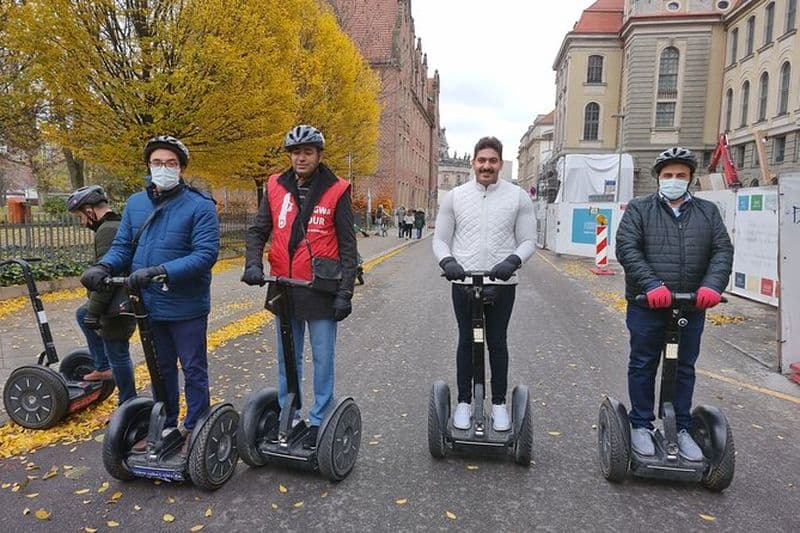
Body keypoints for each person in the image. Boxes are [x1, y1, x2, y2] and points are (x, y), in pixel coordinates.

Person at [80, 135, 220, 454]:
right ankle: (168, 424)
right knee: (161, 368)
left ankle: (196, 428)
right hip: (149, 305)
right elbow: (123, 246)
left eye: (171, 163)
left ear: (181, 168)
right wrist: (103, 266)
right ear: (148, 166)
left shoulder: (200, 206)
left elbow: (205, 254)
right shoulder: (135, 204)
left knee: (193, 367)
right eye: (157, 162)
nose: (164, 168)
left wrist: (160, 271)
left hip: (186, 305)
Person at [242, 125, 358, 450]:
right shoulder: (276, 186)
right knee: (287, 358)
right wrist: (253, 264)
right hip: (283, 286)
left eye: (307, 152)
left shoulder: (337, 189)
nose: (301, 158)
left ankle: (320, 418)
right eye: (296, 152)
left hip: (320, 287)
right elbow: (257, 230)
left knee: (323, 358)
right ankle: (289, 414)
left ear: (318, 155)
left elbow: (348, 247)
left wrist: (345, 292)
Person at [616, 147, 733, 460]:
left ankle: (680, 427)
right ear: (658, 178)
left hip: (690, 306)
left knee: (684, 367)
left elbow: (722, 251)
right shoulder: (640, 209)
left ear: (691, 178)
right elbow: (627, 248)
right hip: (647, 304)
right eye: (668, 175)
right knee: (643, 362)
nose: (674, 180)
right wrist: (651, 284)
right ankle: (640, 423)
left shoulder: (708, 212)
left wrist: (711, 286)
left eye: (681, 175)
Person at [432, 136, 536, 431]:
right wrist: (447, 262)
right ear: (473, 163)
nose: (486, 166)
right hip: (463, 280)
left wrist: (513, 261)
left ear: (500, 164)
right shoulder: (455, 196)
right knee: (466, 340)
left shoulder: (518, 197)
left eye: (492, 161)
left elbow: (529, 240)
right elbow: (440, 239)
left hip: (502, 282)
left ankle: (500, 404)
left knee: (497, 341)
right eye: (481, 160)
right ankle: (464, 401)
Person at [68, 185, 136, 405]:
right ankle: (103, 366)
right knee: (82, 314)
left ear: (89, 210)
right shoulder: (116, 224)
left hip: (117, 302)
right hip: (122, 297)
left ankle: (128, 405)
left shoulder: (107, 230)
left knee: (119, 354)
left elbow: (105, 278)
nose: (82, 222)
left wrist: (94, 312)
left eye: (80, 216)